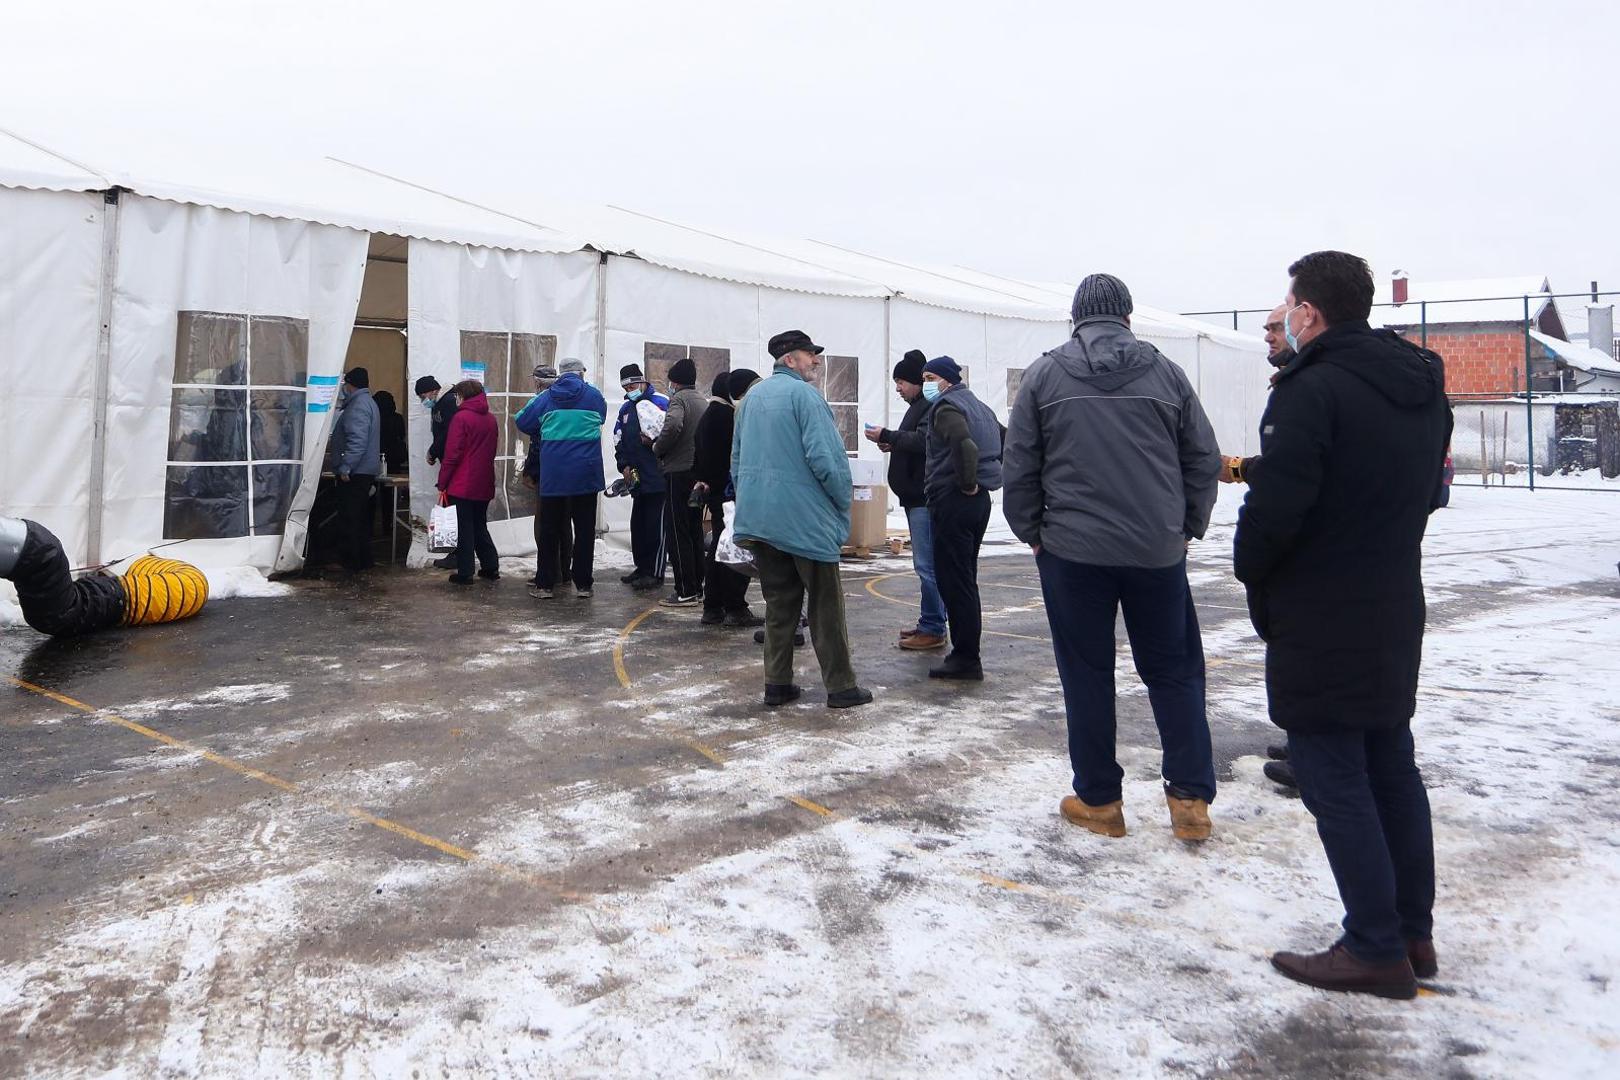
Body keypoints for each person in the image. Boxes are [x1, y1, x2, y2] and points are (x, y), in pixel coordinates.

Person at [1236, 251, 1452, 999]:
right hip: (1392, 600)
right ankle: (1411, 932)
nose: (1283, 318)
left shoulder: (1312, 389)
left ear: (1311, 314)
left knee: (1334, 777)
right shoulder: (1420, 384)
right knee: (1391, 764)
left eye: (1287, 305)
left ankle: (1373, 947)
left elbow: (1275, 513)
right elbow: (1431, 492)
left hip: (1321, 611)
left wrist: (1254, 568)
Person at [1002, 273, 1222, 842]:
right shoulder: (1166, 373)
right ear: (1128, 316)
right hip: (1155, 549)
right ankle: (1190, 800)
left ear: (1075, 318)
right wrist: (1186, 525)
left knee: (1087, 674)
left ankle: (1100, 801)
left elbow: (1019, 462)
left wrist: (1032, 531)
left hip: (1073, 552)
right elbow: (1201, 456)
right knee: (1174, 673)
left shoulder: (1045, 374)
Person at [732, 330, 872, 709]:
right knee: (825, 606)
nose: (816, 361)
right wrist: (842, 502)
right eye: (811, 355)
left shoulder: (749, 400)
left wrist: (749, 503)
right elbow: (826, 459)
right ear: (790, 359)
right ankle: (841, 687)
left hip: (760, 520)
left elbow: (737, 461)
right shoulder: (806, 397)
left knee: (779, 605)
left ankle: (777, 684)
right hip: (804, 521)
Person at [1216, 304, 1301, 793]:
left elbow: (1290, 472)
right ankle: (1302, 738)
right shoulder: (1293, 381)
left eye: (1275, 326)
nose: (1267, 335)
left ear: (1305, 319)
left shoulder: (1308, 388)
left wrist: (1244, 469)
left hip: (1300, 557)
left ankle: (1314, 753)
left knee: (1305, 653)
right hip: (1292, 556)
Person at [917, 355, 1002, 680]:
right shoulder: (981, 407)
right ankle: (966, 653)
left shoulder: (947, 407)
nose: (926, 384)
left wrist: (967, 483)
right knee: (965, 578)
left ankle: (966, 656)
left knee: (955, 582)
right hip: (978, 502)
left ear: (947, 380)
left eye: (929, 377)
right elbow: (1004, 440)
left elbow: (964, 446)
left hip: (955, 499)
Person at [863, 350, 946, 651]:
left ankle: (934, 626)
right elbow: (912, 441)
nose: (897, 388)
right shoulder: (919, 406)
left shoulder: (930, 405)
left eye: (901, 381)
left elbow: (925, 441)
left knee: (928, 566)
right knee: (926, 565)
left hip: (924, 499)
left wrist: (890, 435)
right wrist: (893, 443)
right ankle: (929, 620)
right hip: (915, 498)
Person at [517, 358, 607, 600]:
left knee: (549, 530)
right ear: (580, 373)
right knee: (585, 530)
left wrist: (547, 427)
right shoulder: (594, 396)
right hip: (586, 475)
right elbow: (602, 417)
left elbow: (522, 421)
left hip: (554, 475)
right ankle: (584, 585)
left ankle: (545, 585)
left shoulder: (545, 398)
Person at [693, 369, 763, 627]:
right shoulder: (727, 416)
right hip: (729, 496)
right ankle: (734, 606)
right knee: (735, 552)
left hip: (717, 494)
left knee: (719, 550)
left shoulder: (710, 414)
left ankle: (714, 606)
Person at [652, 357, 709, 607]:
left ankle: (685, 589)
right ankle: (698, 585)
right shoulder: (701, 401)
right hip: (696, 472)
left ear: (674, 382)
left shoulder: (679, 400)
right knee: (695, 530)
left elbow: (673, 425)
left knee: (677, 532)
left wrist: (657, 447)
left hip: (678, 472)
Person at [437, 379, 500, 586]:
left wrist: (442, 482)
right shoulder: (491, 419)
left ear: (462, 396)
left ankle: (465, 572)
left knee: (464, 528)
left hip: (462, 482)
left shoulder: (461, 418)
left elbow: (452, 454)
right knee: (480, 525)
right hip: (484, 480)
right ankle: (490, 566)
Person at [612, 364, 669, 590]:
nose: (629, 389)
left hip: (657, 477)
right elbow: (618, 439)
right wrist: (623, 465)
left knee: (656, 527)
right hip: (637, 479)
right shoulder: (626, 409)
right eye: (625, 387)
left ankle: (655, 572)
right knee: (639, 526)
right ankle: (642, 567)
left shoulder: (661, 402)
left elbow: (672, 433)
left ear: (643, 381)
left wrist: (654, 443)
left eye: (633, 385)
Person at [516, 364, 568, 587]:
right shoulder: (569, 399)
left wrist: (530, 471)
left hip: (546, 469)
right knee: (565, 523)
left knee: (544, 523)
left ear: (537, 383)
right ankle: (565, 571)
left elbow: (530, 432)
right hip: (570, 469)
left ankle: (547, 573)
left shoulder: (540, 401)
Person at [328, 367, 381, 573]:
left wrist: (346, 466)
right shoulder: (369, 403)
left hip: (355, 472)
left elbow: (357, 441)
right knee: (360, 518)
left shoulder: (357, 406)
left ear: (350, 385)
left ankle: (350, 562)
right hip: (364, 470)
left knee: (350, 517)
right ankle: (363, 559)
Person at [417, 375, 460, 569]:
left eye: (422, 395)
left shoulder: (448, 402)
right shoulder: (438, 404)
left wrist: (433, 450)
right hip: (447, 463)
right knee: (452, 508)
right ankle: (456, 553)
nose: (422, 401)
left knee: (455, 510)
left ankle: (458, 554)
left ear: (433, 390)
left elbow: (448, 433)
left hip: (454, 465)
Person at [374, 390, 409, 475]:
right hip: (395, 456)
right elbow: (402, 435)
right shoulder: (398, 418)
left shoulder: (375, 418)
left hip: (378, 454)